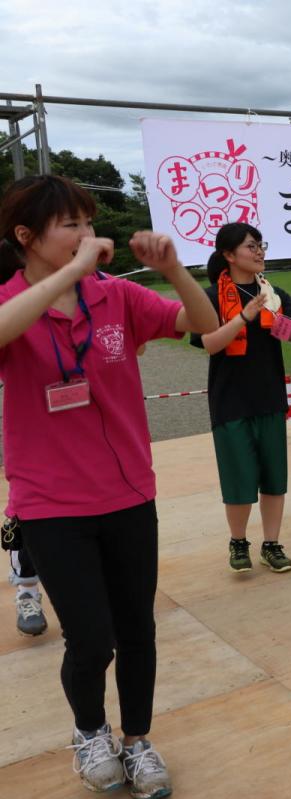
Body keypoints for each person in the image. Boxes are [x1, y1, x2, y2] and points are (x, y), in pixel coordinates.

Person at [0, 174, 218, 797]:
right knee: (90, 636)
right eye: (71, 224)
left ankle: (138, 739)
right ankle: (89, 730)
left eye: (88, 223)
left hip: (128, 494)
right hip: (50, 503)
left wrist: (176, 270)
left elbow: (202, 326)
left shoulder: (116, 298)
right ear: (27, 237)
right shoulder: (17, 300)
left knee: (136, 630)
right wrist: (68, 277)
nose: (86, 235)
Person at [191, 223, 291, 573]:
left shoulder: (273, 294)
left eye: (260, 245)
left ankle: (272, 543)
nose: (259, 252)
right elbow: (209, 343)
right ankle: (239, 542)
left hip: (269, 398)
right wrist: (243, 316)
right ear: (228, 255)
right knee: (239, 476)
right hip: (231, 401)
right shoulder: (210, 297)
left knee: (272, 476)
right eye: (251, 247)